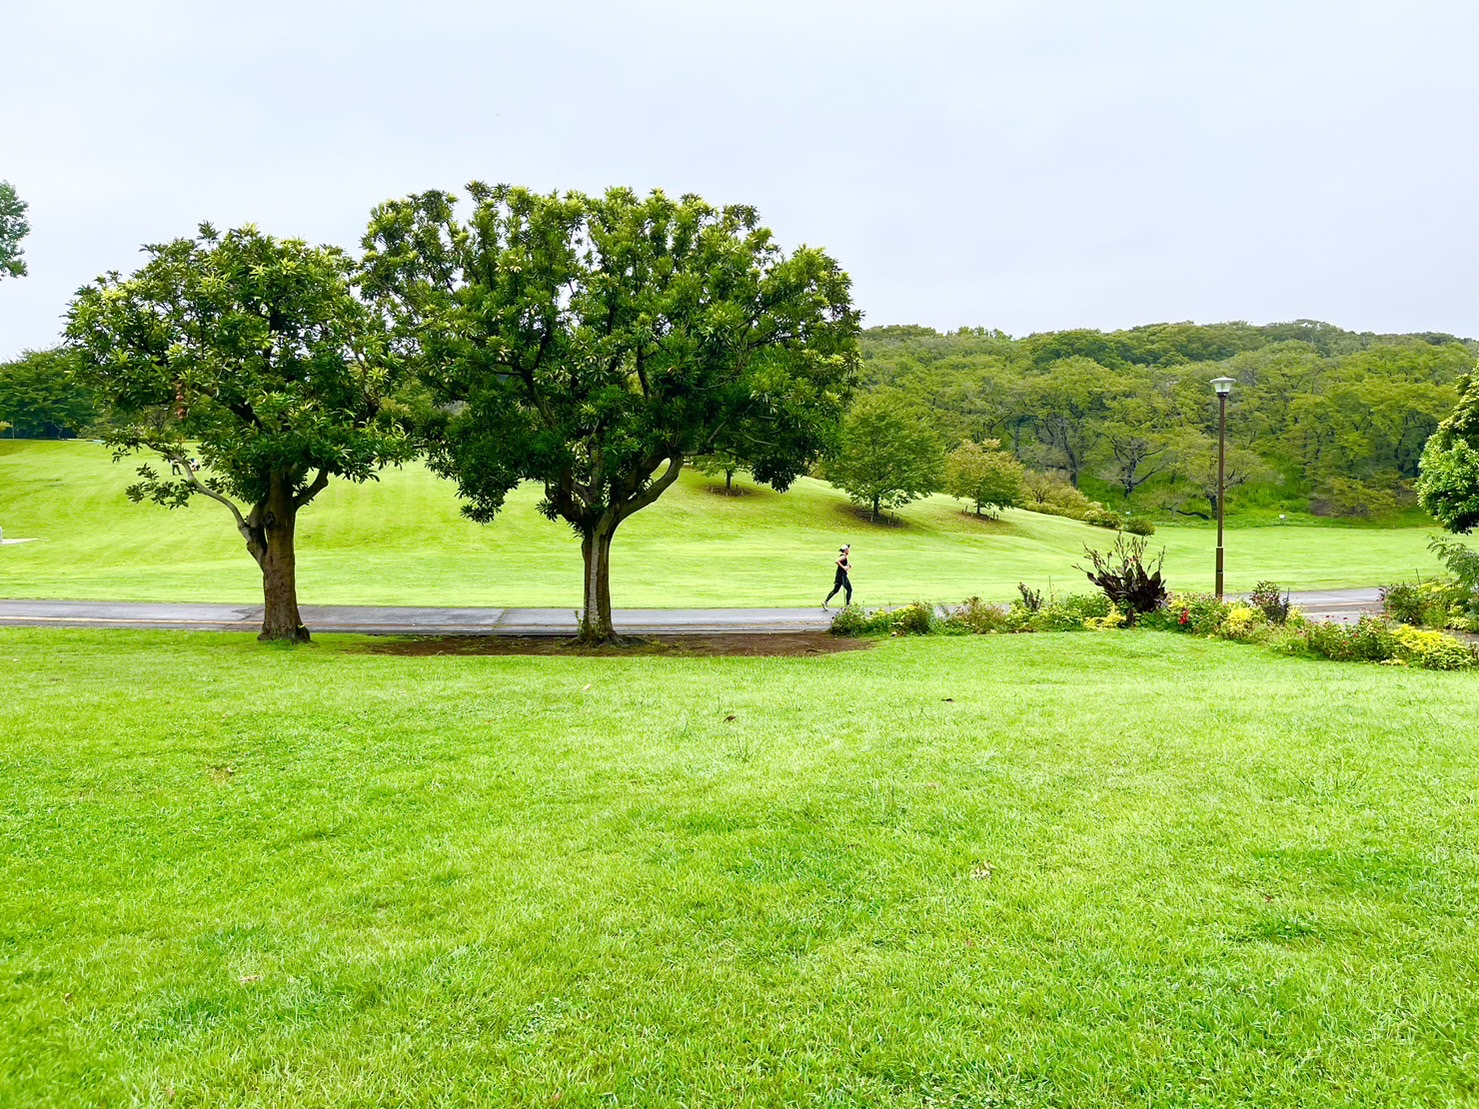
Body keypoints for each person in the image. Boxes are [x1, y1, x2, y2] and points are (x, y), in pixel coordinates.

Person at [822, 544, 852, 609]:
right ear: (845, 550)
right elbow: (837, 561)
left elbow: (842, 567)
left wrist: (847, 567)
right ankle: (847, 606)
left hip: (839, 576)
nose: (849, 551)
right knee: (849, 589)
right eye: (848, 549)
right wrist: (844, 567)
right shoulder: (843, 556)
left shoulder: (844, 556)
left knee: (835, 590)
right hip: (842, 577)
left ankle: (825, 602)